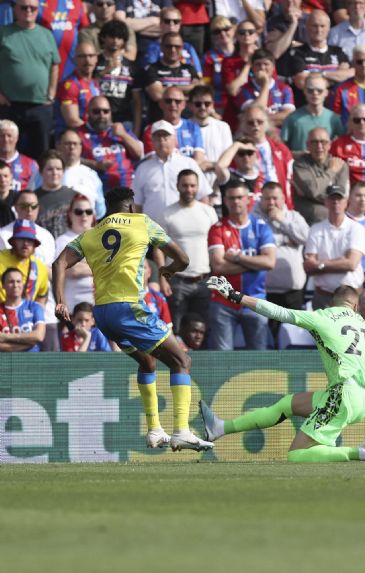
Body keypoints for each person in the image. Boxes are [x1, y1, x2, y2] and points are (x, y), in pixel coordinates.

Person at [52, 186, 212, 452]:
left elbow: (59, 264)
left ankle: (154, 430)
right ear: (130, 206)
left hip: (102, 314)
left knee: (148, 362)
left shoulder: (90, 234)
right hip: (130, 309)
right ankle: (182, 431)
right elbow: (183, 259)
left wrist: (60, 300)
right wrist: (169, 269)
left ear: (107, 207)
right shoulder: (142, 223)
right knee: (182, 360)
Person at [199, 281, 365, 463]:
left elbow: (278, 312)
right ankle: (220, 428)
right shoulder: (364, 326)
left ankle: (361, 453)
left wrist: (236, 296)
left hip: (342, 395)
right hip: (362, 398)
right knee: (287, 404)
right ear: (354, 306)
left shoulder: (322, 316)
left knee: (296, 455)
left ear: (331, 303)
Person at [207, 180, 276, 350]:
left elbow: (269, 262)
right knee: (222, 358)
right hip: (224, 302)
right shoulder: (217, 229)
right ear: (225, 200)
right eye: (231, 198)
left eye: (239, 197)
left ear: (248, 199)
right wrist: (255, 263)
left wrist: (238, 258)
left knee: (259, 358)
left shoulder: (262, 227)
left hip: (255, 300)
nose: (235, 201)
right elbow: (219, 267)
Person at [0, 0, 60, 160]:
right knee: (5, 155)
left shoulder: (47, 34)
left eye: (32, 8)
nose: (28, 11)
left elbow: (55, 65)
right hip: (9, 105)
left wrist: (52, 93)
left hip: (40, 106)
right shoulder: (3, 33)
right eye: (24, 7)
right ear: (15, 9)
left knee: (42, 156)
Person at [162, 169, 218, 333]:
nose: (189, 189)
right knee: (176, 330)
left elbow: (217, 244)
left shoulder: (209, 212)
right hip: (177, 281)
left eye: (193, 185)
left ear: (198, 187)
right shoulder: (167, 214)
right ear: (177, 186)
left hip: (204, 280)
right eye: (185, 185)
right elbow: (159, 248)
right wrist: (163, 276)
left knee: (202, 330)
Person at [132, 120, 211, 227]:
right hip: (153, 231)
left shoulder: (188, 164)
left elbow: (203, 196)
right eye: (157, 137)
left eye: (166, 137)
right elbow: (137, 204)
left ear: (175, 140)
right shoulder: (143, 169)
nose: (162, 141)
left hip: (184, 227)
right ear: (152, 141)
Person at [253, 180, 309, 323]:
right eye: (267, 198)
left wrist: (283, 221)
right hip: (265, 292)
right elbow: (255, 244)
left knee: (292, 334)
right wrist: (286, 240)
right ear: (261, 199)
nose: (271, 202)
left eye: (275, 198)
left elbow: (306, 238)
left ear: (283, 199)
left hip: (293, 292)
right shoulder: (254, 219)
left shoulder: (294, 216)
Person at [304, 184, 365, 309]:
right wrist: (340, 262)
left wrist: (321, 264)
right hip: (324, 296)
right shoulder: (316, 229)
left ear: (346, 202)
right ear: (326, 202)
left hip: (350, 297)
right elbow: (309, 267)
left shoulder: (356, 228)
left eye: (339, 199)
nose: (336, 202)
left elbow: (351, 264)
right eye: (332, 199)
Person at [280, 72, 344, 153]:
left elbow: (341, 145)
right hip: (299, 164)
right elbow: (282, 149)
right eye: (310, 91)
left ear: (326, 93)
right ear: (304, 92)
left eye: (319, 91)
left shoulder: (334, 119)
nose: (315, 94)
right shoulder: (292, 119)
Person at [54, 195, 97, 310]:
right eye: (79, 211)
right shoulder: (63, 241)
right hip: (74, 307)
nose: (84, 215)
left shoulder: (103, 239)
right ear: (70, 214)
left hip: (100, 306)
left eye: (88, 211)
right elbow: (73, 270)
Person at [0, 266, 45, 351]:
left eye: (18, 281)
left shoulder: (34, 307)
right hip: (4, 362)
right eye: (11, 282)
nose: (15, 285)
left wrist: (5, 337)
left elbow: (39, 335)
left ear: (23, 285)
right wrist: (25, 343)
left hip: (31, 360)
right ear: (3, 285)